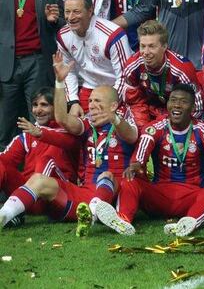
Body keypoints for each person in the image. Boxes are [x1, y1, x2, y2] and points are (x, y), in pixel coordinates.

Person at [0, 55, 138, 233]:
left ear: (113, 105)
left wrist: (114, 119)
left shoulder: (126, 121)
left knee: (107, 175)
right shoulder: (86, 125)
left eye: (97, 101)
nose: (91, 105)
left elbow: (132, 136)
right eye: (90, 101)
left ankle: (98, 213)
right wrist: (59, 82)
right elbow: (63, 119)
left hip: (113, 193)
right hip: (85, 193)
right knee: (39, 180)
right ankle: (4, 215)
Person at [91, 84, 204, 237]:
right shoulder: (155, 127)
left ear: (193, 106)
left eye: (183, 102)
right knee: (129, 180)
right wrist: (135, 165)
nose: (177, 105)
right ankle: (123, 221)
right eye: (173, 100)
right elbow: (141, 152)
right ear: (167, 104)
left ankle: (188, 222)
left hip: (191, 195)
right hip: (160, 196)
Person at [0, 0, 63, 148]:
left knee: (37, 121)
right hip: (6, 64)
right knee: (4, 125)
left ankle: (35, 172)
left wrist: (54, 20)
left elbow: (61, 23)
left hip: (37, 62)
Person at [0, 88, 80, 226]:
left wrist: (39, 133)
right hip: (27, 195)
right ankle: (15, 209)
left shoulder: (71, 132)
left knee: (46, 160)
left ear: (57, 107)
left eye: (44, 105)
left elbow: (66, 141)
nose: (38, 110)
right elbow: (5, 161)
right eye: (35, 105)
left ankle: (13, 212)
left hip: (54, 196)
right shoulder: (26, 136)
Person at [56, 0, 132, 115]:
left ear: (90, 11)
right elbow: (67, 71)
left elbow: (125, 77)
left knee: (109, 129)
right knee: (76, 127)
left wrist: (109, 103)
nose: (70, 17)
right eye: (67, 11)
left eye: (76, 11)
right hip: (89, 89)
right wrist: (73, 101)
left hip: (115, 89)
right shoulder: (63, 36)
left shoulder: (112, 34)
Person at [119, 20, 203, 129]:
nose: (146, 52)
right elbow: (133, 102)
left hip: (176, 118)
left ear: (164, 47)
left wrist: (165, 127)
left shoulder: (182, 70)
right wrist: (143, 128)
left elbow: (196, 108)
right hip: (147, 113)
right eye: (142, 46)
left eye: (152, 46)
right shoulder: (132, 66)